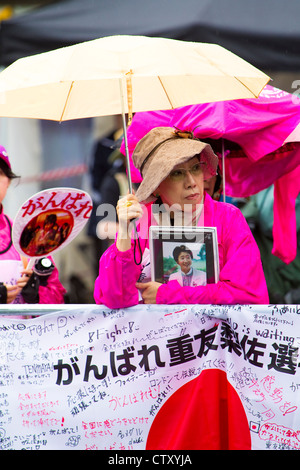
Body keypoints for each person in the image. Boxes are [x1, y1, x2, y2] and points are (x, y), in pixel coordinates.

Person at [94, 127, 269, 308]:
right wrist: (123, 232)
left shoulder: (228, 219)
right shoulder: (140, 223)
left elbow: (248, 295)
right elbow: (114, 298)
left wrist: (168, 294)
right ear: (156, 186)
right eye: (177, 173)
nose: (192, 182)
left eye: (195, 168)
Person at [0, 146, 66, 304]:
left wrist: (36, 295)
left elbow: (59, 299)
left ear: (8, 181)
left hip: (20, 329)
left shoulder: (29, 237)